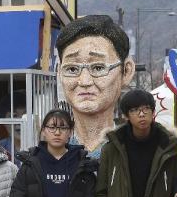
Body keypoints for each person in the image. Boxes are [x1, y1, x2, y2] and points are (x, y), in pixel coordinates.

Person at [55, 15, 136, 158]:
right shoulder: (43, 159)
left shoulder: (140, 155)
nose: (85, 81)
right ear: (59, 73)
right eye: (72, 69)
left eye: (98, 68)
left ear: (126, 71)